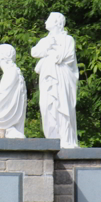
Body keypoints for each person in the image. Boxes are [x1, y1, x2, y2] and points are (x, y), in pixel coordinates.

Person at [31, 13, 79, 147]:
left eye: (48, 20)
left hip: (61, 77)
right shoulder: (45, 40)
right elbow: (34, 52)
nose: (45, 22)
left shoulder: (67, 39)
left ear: (57, 23)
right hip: (47, 77)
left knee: (62, 106)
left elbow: (64, 56)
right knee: (46, 106)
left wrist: (49, 53)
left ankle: (65, 140)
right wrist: (48, 47)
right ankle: (52, 139)